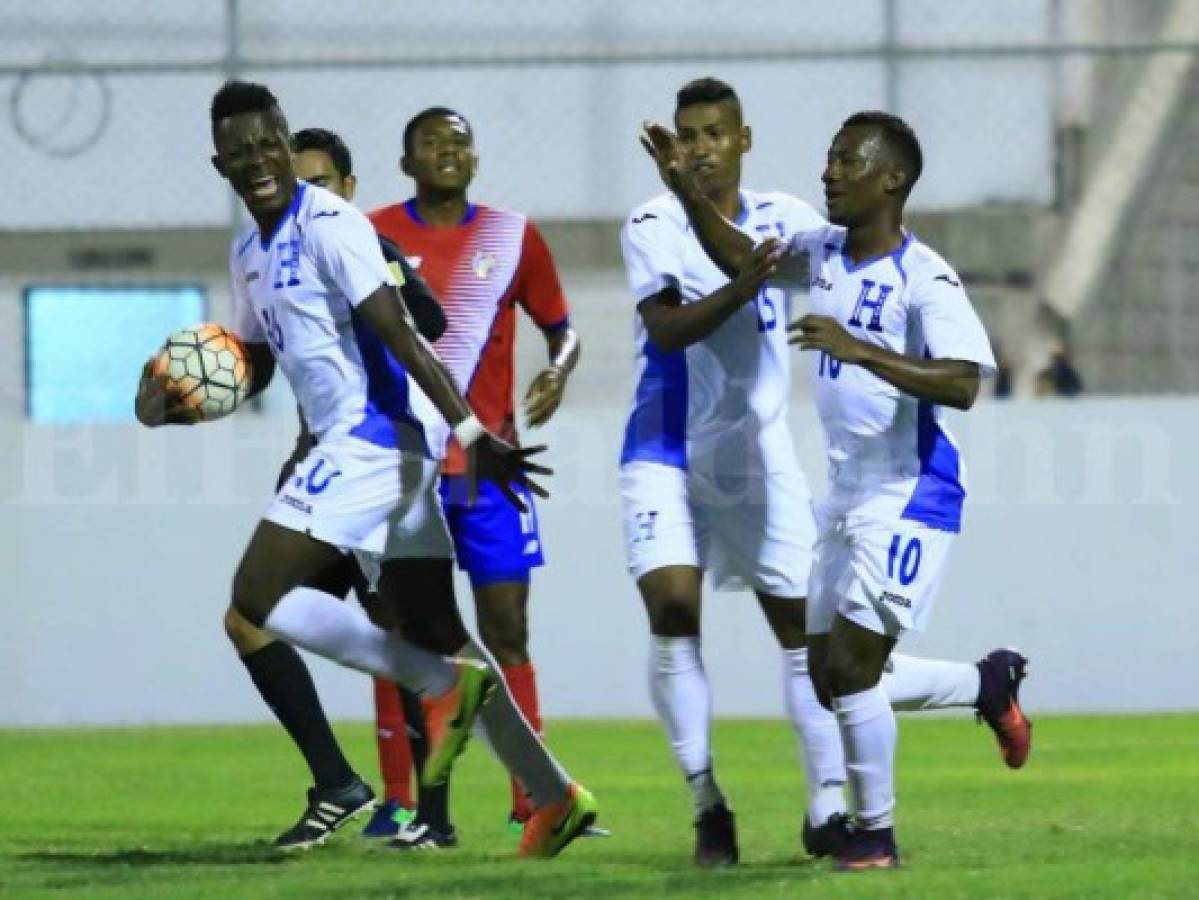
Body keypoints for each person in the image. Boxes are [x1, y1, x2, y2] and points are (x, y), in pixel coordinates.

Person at [134, 79, 597, 859]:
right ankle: (556, 799)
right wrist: (169, 394)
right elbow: (254, 359)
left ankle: (429, 691)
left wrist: (469, 429)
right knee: (447, 634)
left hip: (369, 445)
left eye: (267, 143)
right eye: (240, 150)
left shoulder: (333, 224)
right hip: (375, 455)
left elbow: (400, 333)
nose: (258, 160)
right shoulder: (248, 249)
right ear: (221, 164)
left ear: (285, 142)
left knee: (256, 599)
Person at [629, 79, 1030, 867]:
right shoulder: (818, 254)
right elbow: (740, 255)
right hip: (846, 491)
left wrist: (864, 350)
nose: (829, 173)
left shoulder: (926, 277)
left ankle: (873, 833)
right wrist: (682, 191)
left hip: (910, 492)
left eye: (846, 161)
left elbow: (962, 383)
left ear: (891, 180)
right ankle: (984, 684)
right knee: (827, 675)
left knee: (847, 668)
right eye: (828, 159)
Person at [216, 125, 447, 849]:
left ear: (348, 188)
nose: (304, 192)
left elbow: (428, 326)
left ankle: (429, 816)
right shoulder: (258, 252)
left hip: (379, 457)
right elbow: (270, 359)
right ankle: (345, 787)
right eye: (300, 180)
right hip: (325, 460)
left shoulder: (347, 240)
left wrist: (385, 269)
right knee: (263, 617)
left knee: (398, 625)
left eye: (320, 181)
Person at [368, 106, 581, 834]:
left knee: (506, 627)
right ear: (407, 163)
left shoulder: (511, 235)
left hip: (490, 470)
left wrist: (557, 369)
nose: (446, 152)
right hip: (405, 471)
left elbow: (563, 326)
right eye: (430, 142)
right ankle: (410, 804)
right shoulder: (373, 232)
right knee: (405, 634)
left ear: (474, 157)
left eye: (458, 141)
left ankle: (534, 796)